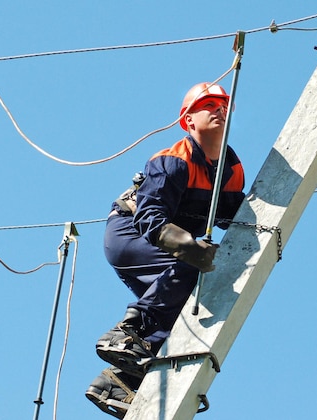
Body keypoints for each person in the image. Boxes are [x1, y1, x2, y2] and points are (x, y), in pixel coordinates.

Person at [85, 82, 245, 418]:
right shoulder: (173, 161)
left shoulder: (231, 170)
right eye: (209, 105)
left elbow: (235, 216)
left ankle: (118, 383)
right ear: (188, 120)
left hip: (166, 248)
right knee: (196, 265)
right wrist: (188, 246)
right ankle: (127, 332)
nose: (219, 110)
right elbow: (149, 218)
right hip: (129, 235)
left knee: (190, 304)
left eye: (222, 105)